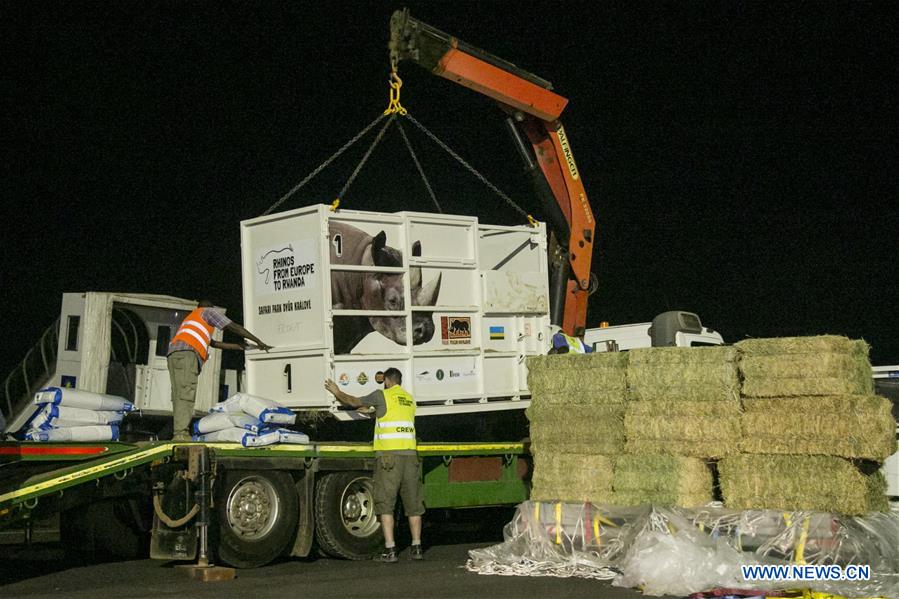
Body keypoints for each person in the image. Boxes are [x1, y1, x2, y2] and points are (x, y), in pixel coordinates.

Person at [324, 367, 424, 563]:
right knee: (413, 505)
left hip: (389, 458)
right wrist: (373, 414)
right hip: (411, 457)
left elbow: (354, 401)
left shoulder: (381, 395)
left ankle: (390, 550)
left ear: (387, 380)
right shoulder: (409, 399)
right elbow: (394, 418)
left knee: (385, 503)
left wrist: (337, 392)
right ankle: (417, 547)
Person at [167, 299, 271, 441]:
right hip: (187, 354)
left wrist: (241, 347)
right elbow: (232, 326)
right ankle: (180, 434)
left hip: (174, 355)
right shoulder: (207, 312)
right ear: (209, 307)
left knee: (179, 394)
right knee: (186, 393)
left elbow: (215, 344)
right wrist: (258, 340)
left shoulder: (193, 320)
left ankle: (179, 432)